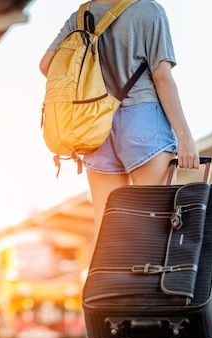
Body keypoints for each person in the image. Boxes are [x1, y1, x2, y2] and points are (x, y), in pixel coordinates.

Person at [39, 0, 200, 242]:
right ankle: (151, 281)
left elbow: (46, 65)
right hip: (142, 119)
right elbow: (162, 77)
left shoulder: (81, 16)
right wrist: (185, 138)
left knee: (106, 229)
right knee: (154, 222)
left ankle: (104, 281)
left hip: (94, 123)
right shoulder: (149, 10)